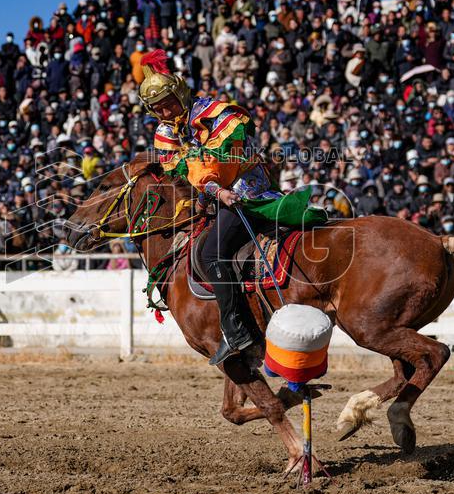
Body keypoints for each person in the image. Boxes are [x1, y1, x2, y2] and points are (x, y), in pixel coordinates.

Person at [139, 49, 325, 365]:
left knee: (211, 253)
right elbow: (182, 171)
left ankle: (236, 331)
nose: (165, 111)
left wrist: (217, 191)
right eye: (158, 109)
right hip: (213, 198)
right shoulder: (168, 132)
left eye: (168, 103)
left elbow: (216, 166)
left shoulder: (216, 114)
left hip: (243, 192)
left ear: (180, 92)